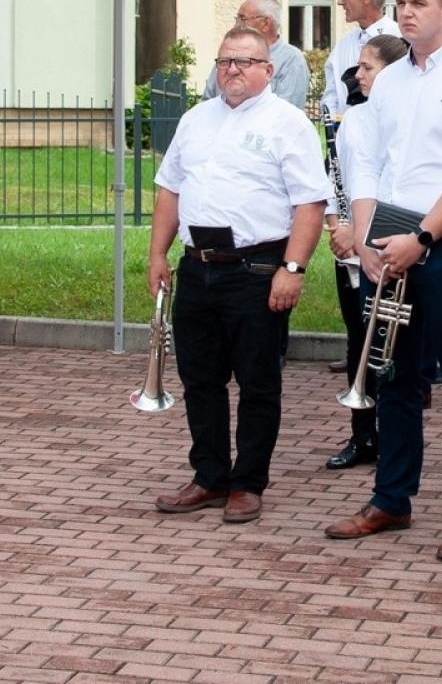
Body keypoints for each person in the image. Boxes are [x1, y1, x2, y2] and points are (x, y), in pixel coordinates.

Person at [326, 0, 442, 563]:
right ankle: (391, 499)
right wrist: (377, 239)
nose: (406, 11)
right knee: (393, 376)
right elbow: (367, 163)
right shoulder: (390, 81)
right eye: (401, 1)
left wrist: (422, 239)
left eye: (420, 3)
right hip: (392, 241)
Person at [149, 26, 329, 525]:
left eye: (246, 62)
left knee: (257, 381)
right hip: (197, 266)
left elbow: (309, 204)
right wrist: (157, 255)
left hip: (258, 267)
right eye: (226, 60)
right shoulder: (194, 120)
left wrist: (293, 269)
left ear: (268, 70)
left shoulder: (287, 123)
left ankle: (248, 482)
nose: (233, 70)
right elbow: (170, 192)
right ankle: (208, 476)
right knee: (199, 379)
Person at [324, 34, 410, 470]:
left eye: (367, 68)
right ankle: (362, 435)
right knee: (358, 338)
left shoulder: (400, 118)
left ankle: (392, 438)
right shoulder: (353, 118)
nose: (357, 76)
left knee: (388, 345)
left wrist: (361, 232)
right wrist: (337, 225)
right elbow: (338, 179)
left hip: (385, 241)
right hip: (350, 240)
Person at [200, 0, 311, 110]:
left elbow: (286, 113)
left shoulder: (291, 59)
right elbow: (207, 103)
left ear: (265, 24)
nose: (236, 25)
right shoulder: (228, 55)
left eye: (242, 18)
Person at [321, 0, 400, 122]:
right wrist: (332, 123)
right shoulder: (344, 44)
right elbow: (332, 93)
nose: (339, 2)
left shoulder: (400, 40)